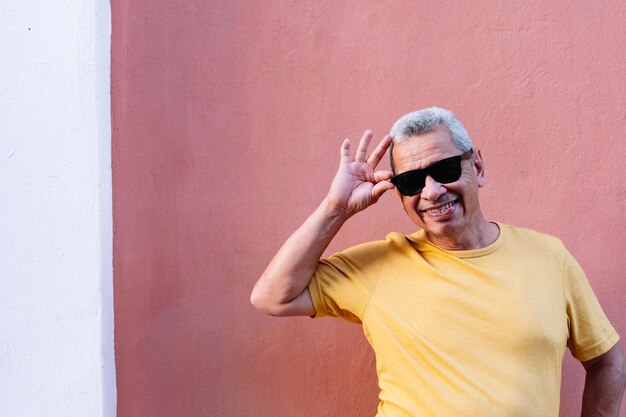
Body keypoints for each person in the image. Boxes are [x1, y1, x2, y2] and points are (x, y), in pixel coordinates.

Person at [250, 107, 626, 416]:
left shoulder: (549, 257)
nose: (431, 192)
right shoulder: (379, 265)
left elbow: (607, 361)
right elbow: (272, 297)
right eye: (412, 181)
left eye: (445, 170)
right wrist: (336, 209)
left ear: (476, 166)